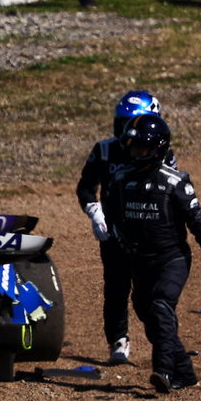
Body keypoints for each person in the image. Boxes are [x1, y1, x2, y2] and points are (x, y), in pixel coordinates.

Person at [102, 114, 201, 393]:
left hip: (172, 260)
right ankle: (185, 371)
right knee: (148, 313)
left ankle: (164, 371)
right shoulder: (120, 181)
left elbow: (197, 221)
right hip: (139, 261)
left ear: (157, 148)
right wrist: (120, 241)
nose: (135, 153)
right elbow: (112, 215)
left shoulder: (175, 182)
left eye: (141, 148)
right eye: (132, 148)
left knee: (160, 306)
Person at [76, 90, 175, 364]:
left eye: (132, 124)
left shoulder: (162, 154)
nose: (128, 133)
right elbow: (85, 186)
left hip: (148, 234)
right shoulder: (104, 150)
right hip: (113, 232)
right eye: (122, 124)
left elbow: (170, 191)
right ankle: (118, 340)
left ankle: (165, 344)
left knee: (149, 294)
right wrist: (94, 211)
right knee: (116, 287)